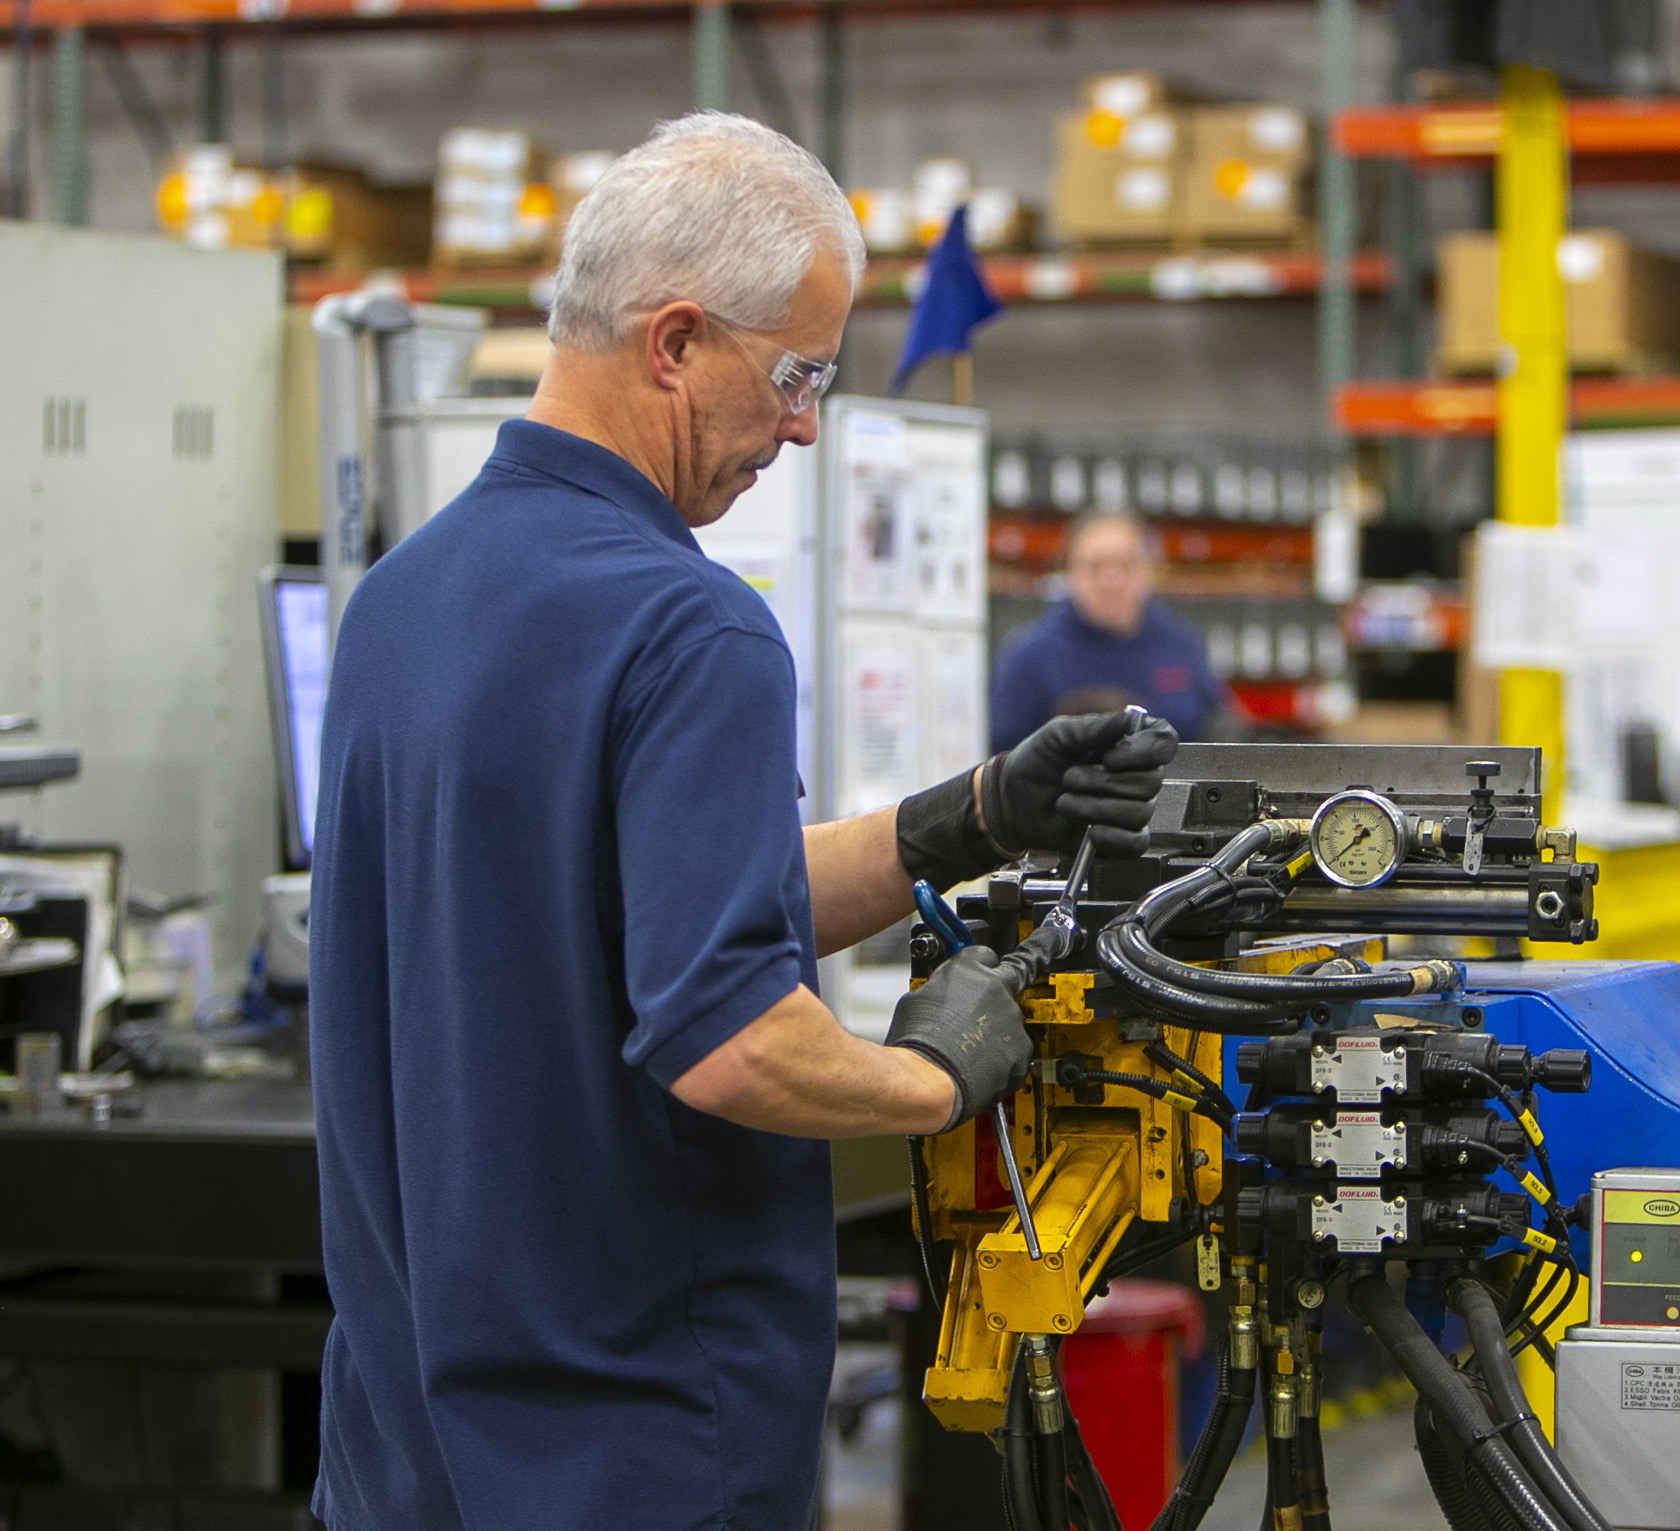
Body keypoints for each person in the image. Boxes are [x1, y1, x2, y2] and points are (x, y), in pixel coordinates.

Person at [307, 113, 1178, 1531]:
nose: (804, 424)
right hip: (635, 1441)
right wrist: (938, 1074)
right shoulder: (688, 624)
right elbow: (724, 1032)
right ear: (672, 341)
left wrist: (959, 818)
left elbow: (634, 902)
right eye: (794, 374)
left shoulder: (403, 600)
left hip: (407, 1449)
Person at [989, 508, 1235, 751]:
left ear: (1150, 569)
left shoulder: (1180, 645)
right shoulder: (1029, 658)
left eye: (1125, 565)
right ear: (1069, 571)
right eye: (1095, 567)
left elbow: (1218, 728)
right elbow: (1004, 765)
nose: (1111, 582)